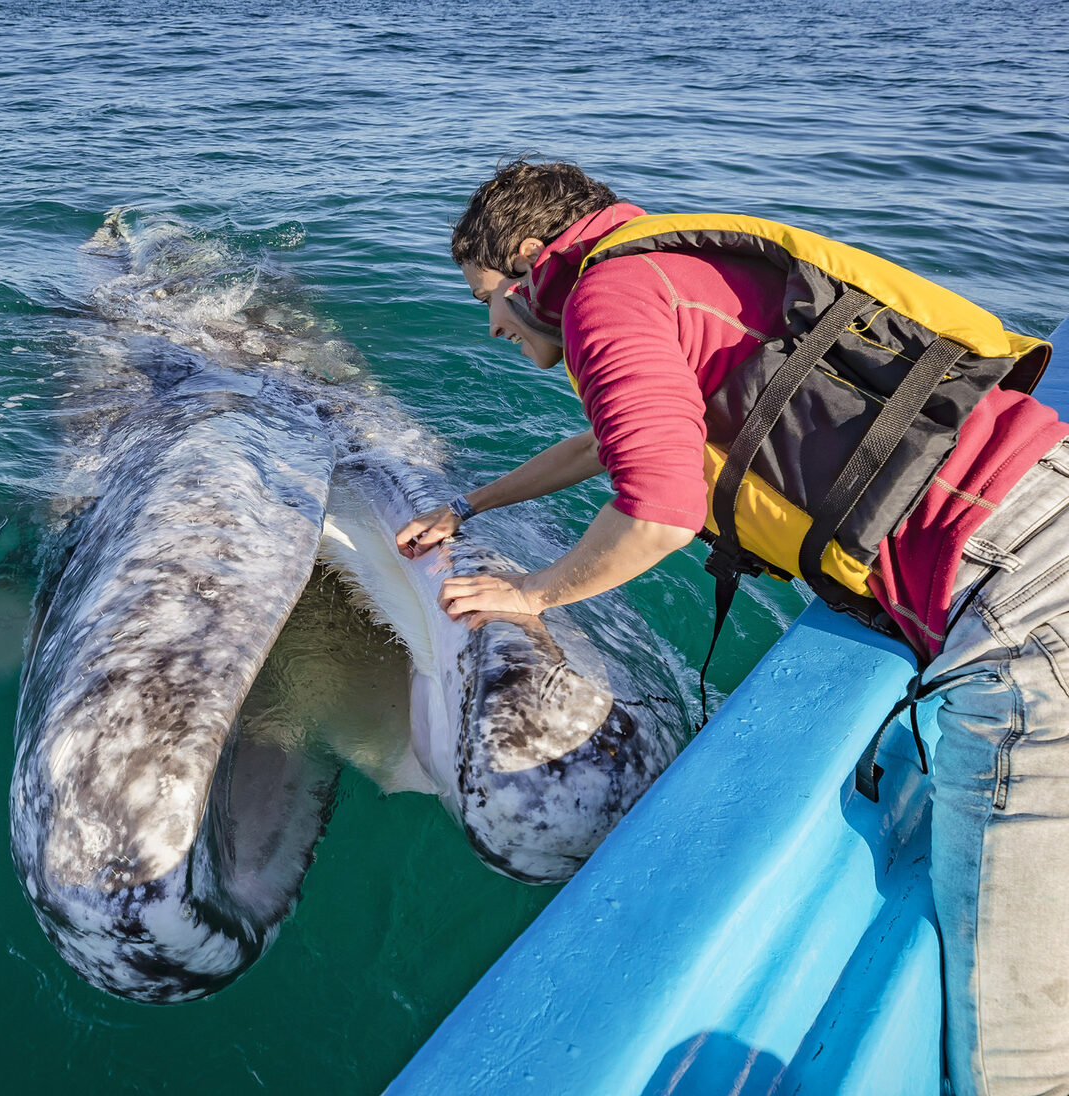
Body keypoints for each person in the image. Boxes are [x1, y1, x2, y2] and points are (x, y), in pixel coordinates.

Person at [395, 157, 1069, 1096]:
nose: (495, 326)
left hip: (1023, 587)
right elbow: (611, 441)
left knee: (1017, 1043)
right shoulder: (666, 272)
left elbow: (661, 511)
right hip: (1040, 509)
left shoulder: (605, 297)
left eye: (492, 301)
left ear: (529, 261)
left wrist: (535, 594)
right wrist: (474, 504)